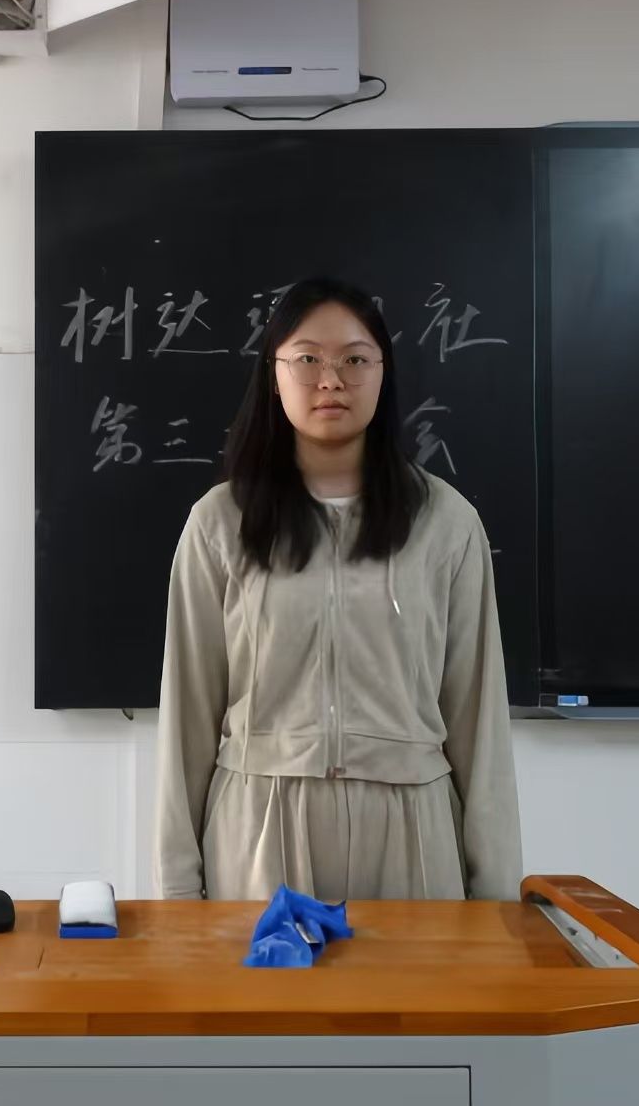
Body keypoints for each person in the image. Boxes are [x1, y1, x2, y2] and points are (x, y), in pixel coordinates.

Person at [154, 277, 522, 902]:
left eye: (354, 359)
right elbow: (186, 717)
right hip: (260, 827)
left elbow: (478, 719)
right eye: (307, 359)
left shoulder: (445, 522)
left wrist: (497, 898)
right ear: (274, 376)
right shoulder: (220, 522)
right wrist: (176, 896)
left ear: (383, 374)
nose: (331, 380)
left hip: (411, 831)